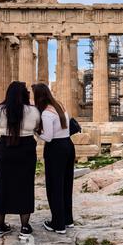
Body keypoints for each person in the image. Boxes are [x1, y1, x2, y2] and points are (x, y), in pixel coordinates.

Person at [0, 81, 40, 239]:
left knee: (1, 185)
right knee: (25, 186)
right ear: (24, 95)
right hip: (25, 148)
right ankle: (25, 227)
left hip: (4, 147)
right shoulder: (33, 111)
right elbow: (37, 125)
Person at [32, 84, 76, 235]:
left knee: (54, 186)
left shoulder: (46, 113)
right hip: (68, 146)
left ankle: (58, 224)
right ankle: (68, 219)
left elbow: (48, 137)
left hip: (56, 149)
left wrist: (36, 132)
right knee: (66, 183)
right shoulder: (60, 106)